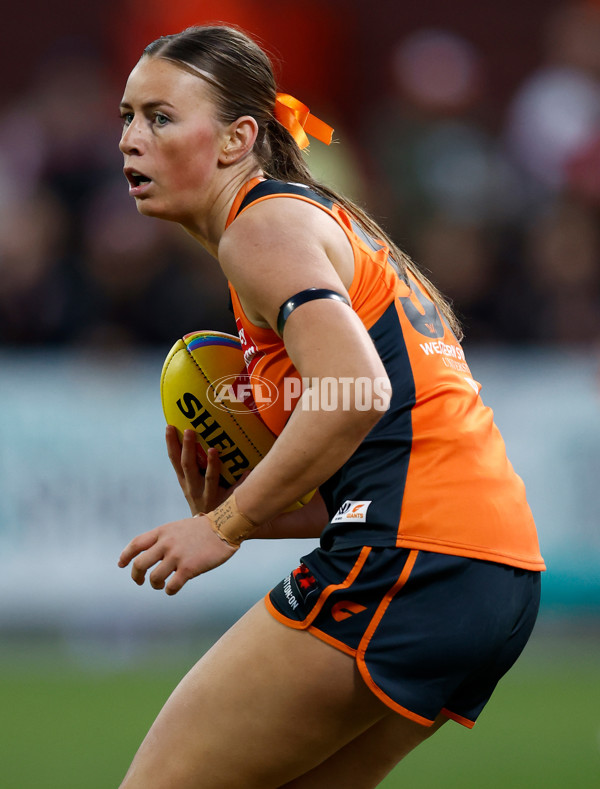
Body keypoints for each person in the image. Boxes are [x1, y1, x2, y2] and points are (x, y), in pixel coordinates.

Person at [117, 24, 545, 789]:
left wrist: (227, 523)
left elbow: (357, 389)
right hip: (489, 570)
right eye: (127, 116)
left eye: (160, 117)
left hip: (414, 561)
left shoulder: (260, 228)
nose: (130, 140)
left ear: (236, 138)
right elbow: (394, 441)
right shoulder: (306, 222)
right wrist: (268, 508)